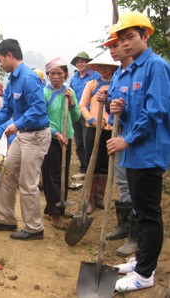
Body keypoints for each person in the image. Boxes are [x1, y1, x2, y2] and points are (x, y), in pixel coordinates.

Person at [106, 11, 170, 292]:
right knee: (141, 211)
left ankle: (145, 274)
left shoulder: (157, 66)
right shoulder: (133, 69)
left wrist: (127, 140)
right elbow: (137, 110)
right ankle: (142, 260)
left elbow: (156, 111)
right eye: (122, 38)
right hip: (135, 152)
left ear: (145, 36)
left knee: (149, 214)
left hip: (148, 152)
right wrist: (121, 108)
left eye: (131, 36)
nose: (126, 43)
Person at [0, 39, 51, 241]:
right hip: (23, 135)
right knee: (7, 174)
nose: (0, 64)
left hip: (36, 136)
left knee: (27, 182)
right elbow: (7, 110)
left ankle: (34, 228)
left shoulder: (28, 78)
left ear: (9, 55)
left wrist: (17, 124)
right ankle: (6, 218)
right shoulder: (12, 80)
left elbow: (39, 109)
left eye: (0, 59)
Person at [100, 28, 138, 258]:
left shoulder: (138, 73)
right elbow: (113, 108)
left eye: (116, 45)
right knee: (123, 183)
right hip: (120, 133)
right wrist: (106, 102)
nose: (114, 50)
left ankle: (136, 235)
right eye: (112, 46)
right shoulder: (117, 76)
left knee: (136, 187)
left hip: (134, 137)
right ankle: (125, 226)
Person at [41, 58, 80, 230]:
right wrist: (56, 133)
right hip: (50, 139)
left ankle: (59, 207)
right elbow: (41, 119)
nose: (56, 77)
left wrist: (71, 102)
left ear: (65, 75)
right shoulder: (44, 93)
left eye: (59, 73)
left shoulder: (70, 91)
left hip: (67, 136)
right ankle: (54, 213)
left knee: (64, 174)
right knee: (52, 176)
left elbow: (77, 117)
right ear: (48, 75)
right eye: (52, 73)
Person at [78, 54, 119, 214]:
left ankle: (100, 198)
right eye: (100, 66)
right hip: (93, 129)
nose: (103, 69)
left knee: (105, 165)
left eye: (106, 66)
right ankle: (90, 199)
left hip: (111, 130)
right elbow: (82, 106)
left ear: (113, 68)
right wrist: (92, 119)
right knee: (91, 164)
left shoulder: (117, 84)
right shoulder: (92, 84)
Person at [69, 51, 100, 177]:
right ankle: (83, 167)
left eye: (82, 61)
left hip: (89, 113)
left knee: (89, 141)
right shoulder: (74, 79)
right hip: (76, 113)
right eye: (77, 62)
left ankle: (91, 167)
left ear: (87, 63)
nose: (80, 64)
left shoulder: (95, 76)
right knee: (79, 141)